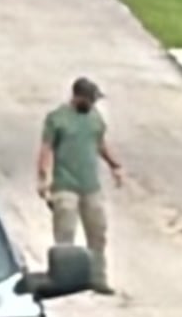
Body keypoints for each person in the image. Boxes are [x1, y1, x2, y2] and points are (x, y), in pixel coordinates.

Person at [36, 77, 126, 293]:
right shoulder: (57, 119)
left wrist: (114, 165)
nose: (93, 103)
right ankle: (63, 280)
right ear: (77, 97)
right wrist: (43, 178)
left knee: (98, 232)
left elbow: (100, 143)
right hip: (64, 184)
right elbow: (46, 149)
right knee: (65, 234)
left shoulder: (95, 118)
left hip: (90, 186)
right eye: (90, 99)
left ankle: (97, 278)